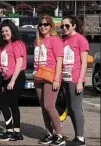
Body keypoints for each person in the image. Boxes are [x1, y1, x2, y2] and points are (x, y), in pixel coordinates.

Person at [0, 19, 26, 141]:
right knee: (13, 105)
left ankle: (9, 131)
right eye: (2, 32)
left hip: (17, 77)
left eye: (7, 31)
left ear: (12, 30)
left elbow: (19, 62)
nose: (4, 33)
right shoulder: (4, 45)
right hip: (6, 78)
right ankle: (17, 133)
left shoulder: (17, 44)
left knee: (3, 102)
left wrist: (12, 81)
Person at [34, 15, 66, 146]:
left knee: (49, 106)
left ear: (51, 26)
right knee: (43, 107)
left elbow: (59, 61)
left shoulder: (56, 40)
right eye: (41, 25)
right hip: (38, 76)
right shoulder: (38, 41)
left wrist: (57, 79)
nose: (43, 27)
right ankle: (49, 133)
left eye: (46, 25)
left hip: (51, 76)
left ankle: (59, 135)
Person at [60, 16, 89, 146]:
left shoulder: (81, 40)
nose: (64, 28)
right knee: (70, 109)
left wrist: (80, 81)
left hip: (75, 79)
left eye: (67, 26)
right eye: (62, 26)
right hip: (65, 79)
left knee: (76, 108)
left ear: (74, 26)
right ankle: (77, 137)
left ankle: (81, 138)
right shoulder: (64, 40)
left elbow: (84, 63)